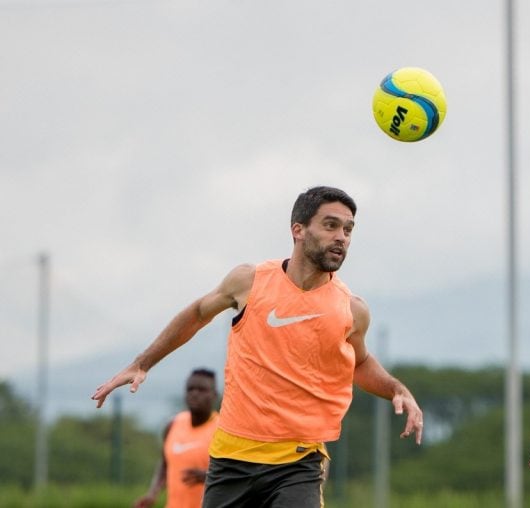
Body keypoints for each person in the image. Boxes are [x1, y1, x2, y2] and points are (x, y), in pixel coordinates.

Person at [92, 186, 423, 507]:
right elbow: (196, 315)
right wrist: (143, 362)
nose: (342, 237)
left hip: (298, 460)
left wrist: (397, 389)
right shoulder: (250, 282)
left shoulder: (351, 309)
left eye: (348, 229)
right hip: (231, 458)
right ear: (298, 230)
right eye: (331, 225)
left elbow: (360, 363)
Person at [134, 368, 219, 508]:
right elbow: (165, 463)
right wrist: (152, 493)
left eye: (201, 390)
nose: (194, 394)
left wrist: (209, 476)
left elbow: (236, 474)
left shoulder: (222, 430)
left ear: (214, 395)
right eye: (190, 389)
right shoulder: (173, 424)